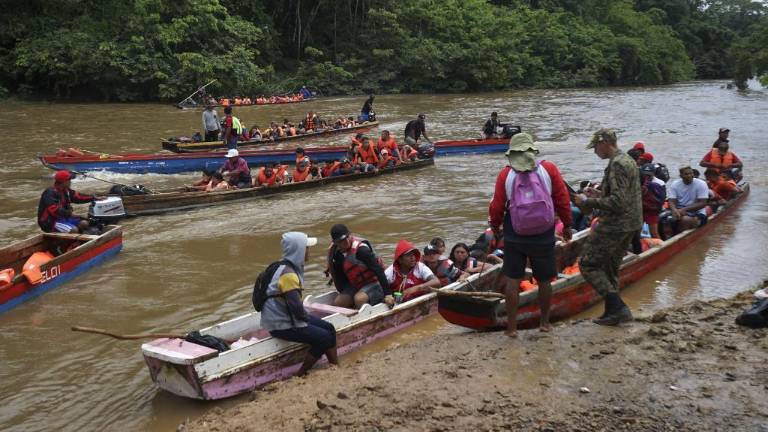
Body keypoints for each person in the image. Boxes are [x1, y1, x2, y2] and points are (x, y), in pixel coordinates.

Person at [489, 133, 573, 336]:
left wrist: (495, 227)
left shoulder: (505, 175)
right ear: (531, 150)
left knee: (512, 280)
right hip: (543, 233)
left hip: (514, 234)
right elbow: (562, 198)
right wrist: (568, 224)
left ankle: (511, 328)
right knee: (544, 280)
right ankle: (544, 323)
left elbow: (497, 206)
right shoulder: (548, 169)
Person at [573, 128, 642, 326]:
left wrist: (588, 201)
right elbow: (622, 195)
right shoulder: (627, 160)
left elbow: (618, 202)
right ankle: (613, 311)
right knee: (610, 268)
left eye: (595, 146)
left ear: (605, 143)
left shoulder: (618, 164)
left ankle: (618, 307)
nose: (595, 151)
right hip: (631, 222)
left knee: (588, 264)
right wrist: (598, 195)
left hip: (616, 223)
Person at [261, 232, 338, 376]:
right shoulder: (289, 275)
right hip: (282, 324)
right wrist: (309, 321)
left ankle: (335, 365)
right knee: (324, 337)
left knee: (330, 328)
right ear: (299, 250)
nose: (309, 251)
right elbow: (296, 309)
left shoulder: (281, 266)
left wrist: (309, 320)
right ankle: (301, 373)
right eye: (306, 248)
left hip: (282, 318)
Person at [326, 224, 391, 308]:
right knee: (339, 303)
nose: (346, 242)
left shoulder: (361, 250)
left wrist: (388, 294)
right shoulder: (336, 253)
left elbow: (378, 270)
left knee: (359, 299)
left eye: (347, 237)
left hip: (374, 281)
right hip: (357, 283)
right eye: (341, 240)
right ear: (335, 242)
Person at [667, 166, 710, 232]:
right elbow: (671, 200)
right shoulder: (675, 184)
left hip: (697, 211)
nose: (689, 175)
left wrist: (683, 210)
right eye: (686, 174)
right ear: (681, 176)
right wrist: (674, 210)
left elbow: (703, 203)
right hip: (680, 209)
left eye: (691, 173)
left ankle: (680, 236)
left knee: (685, 220)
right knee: (663, 218)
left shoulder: (701, 184)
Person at [640, 163, 666, 239]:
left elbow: (661, 200)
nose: (647, 177)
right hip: (641, 209)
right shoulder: (639, 181)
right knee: (635, 232)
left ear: (654, 174)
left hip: (653, 210)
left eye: (649, 175)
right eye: (645, 175)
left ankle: (662, 244)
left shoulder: (659, 183)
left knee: (654, 233)